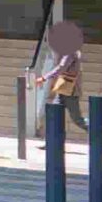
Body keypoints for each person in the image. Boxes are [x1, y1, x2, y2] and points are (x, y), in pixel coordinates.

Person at [36, 10, 86, 150]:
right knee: (53, 115)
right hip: (63, 89)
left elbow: (61, 67)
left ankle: (99, 133)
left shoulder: (71, 51)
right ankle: (52, 143)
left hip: (70, 90)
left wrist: (44, 77)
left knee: (78, 120)